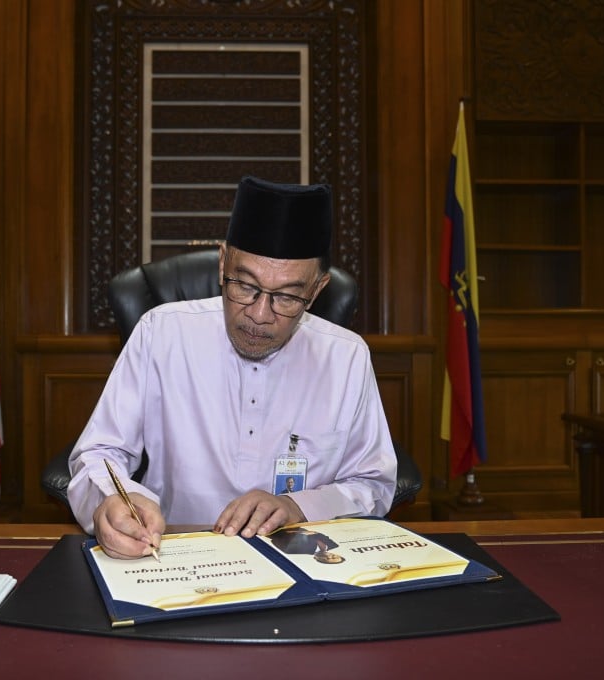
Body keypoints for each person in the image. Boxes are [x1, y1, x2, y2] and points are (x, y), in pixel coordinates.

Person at [67, 175, 397, 560]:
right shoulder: (161, 332)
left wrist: (299, 506)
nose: (258, 315)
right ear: (223, 261)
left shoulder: (346, 357)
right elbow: (99, 454)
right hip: (173, 558)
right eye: (244, 285)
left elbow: (374, 484)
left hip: (302, 565)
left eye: (288, 297)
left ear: (317, 290)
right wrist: (114, 500)